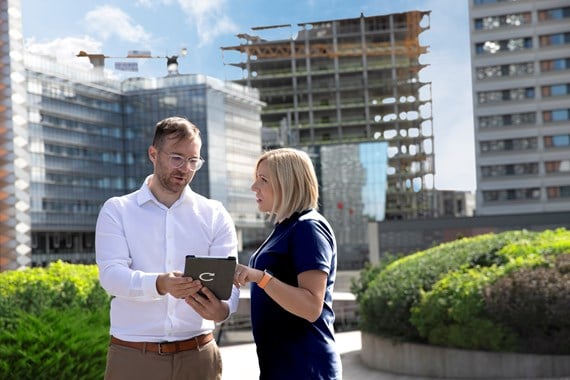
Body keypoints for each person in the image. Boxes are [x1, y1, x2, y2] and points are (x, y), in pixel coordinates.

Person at [95, 116, 239, 380]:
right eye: (176, 158)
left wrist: (224, 309)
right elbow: (111, 276)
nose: (185, 168)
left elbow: (229, 281)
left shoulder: (214, 214)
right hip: (134, 357)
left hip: (199, 355)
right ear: (153, 153)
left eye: (193, 160)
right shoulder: (117, 210)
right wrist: (160, 284)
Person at [234, 148, 342, 379]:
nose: (254, 187)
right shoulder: (286, 228)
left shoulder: (308, 228)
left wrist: (259, 277)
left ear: (287, 183)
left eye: (263, 180)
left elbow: (312, 307)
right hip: (283, 367)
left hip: (306, 367)